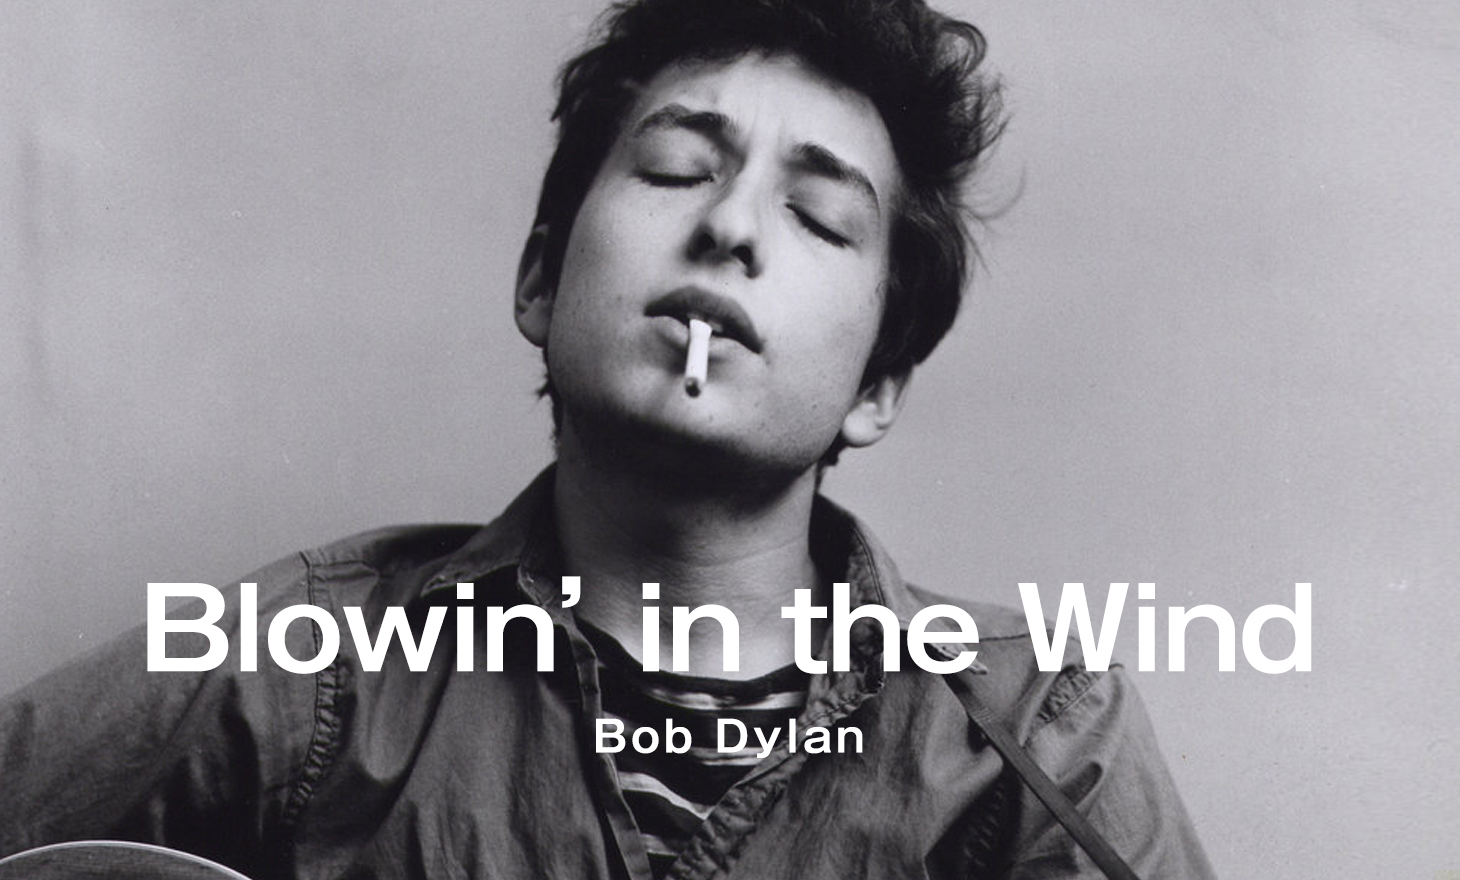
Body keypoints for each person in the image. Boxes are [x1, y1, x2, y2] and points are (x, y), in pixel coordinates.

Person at [0, 0, 1214, 877]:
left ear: (875, 385)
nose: (729, 227)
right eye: (677, 169)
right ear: (540, 281)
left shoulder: (1037, 732)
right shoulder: (311, 664)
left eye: (814, 216)